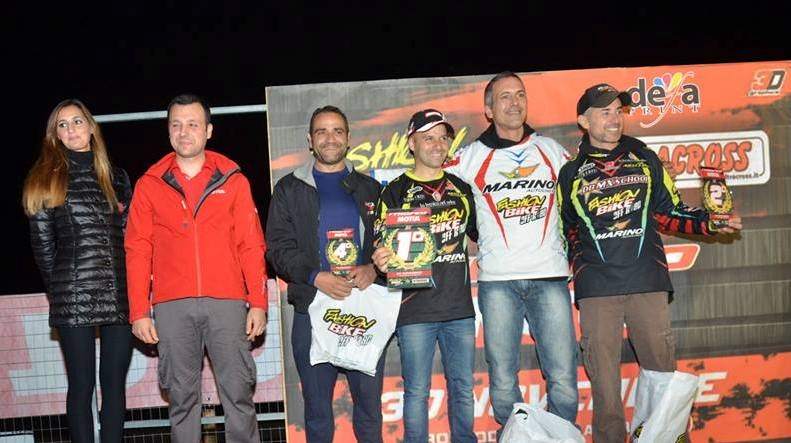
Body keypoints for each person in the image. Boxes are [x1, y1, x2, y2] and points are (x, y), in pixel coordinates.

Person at [557, 83, 743, 442]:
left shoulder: (646, 159)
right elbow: (566, 233)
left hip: (648, 282)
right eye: (604, 112)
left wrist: (710, 222)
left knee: (663, 380)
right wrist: (575, 271)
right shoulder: (570, 174)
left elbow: (669, 211)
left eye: (618, 111)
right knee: (605, 390)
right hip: (598, 290)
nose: (615, 119)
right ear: (584, 121)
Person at [124, 93, 267, 442]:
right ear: (168, 130)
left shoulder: (233, 180)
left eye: (192, 124)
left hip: (227, 303)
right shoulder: (149, 184)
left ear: (208, 131)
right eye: (176, 125)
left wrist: (258, 302)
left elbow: (251, 245)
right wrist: (139, 311)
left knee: (238, 395)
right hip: (172, 306)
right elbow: (137, 249)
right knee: (181, 400)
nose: (183, 132)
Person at [443, 71, 579, 432]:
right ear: (489, 109)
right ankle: (515, 436)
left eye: (520, 95)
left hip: (550, 276)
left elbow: (587, 188)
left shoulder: (552, 150)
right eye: (505, 96)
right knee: (503, 378)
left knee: (564, 375)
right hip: (498, 282)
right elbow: (428, 180)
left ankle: (561, 437)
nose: (514, 103)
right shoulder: (470, 157)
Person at [265, 105, 384, 443]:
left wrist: (373, 269)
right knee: (317, 414)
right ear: (309, 140)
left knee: (369, 412)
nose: (330, 138)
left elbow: (387, 244)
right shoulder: (288, 188)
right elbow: (277, 249)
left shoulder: (370, 189)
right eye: (322, 131)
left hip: (363, 310)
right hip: (313, 310)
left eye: (337, 131)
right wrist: (315, 277)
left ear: (348, 139)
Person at [22, 98, 133, 443]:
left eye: (77, 121)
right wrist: (61, 291)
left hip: (118, 292)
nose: (71, 129)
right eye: (63, 124)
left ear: (91, 127)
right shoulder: (44, 180)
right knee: (82, 385)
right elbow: (43, 249)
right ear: (55, 135)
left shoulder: (117, 177)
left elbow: (130, 237)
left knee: (114, 385)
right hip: (72, 295)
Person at [371, 109, 478, 443]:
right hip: (414, 309)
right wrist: (381, 257)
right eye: (428, 138)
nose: (437, 144)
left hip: (459, 308)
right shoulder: (394, 191)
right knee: (416, 392)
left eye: (442, 138)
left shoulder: (462, 188)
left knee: (463, 388)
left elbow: (479, 237)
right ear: (411, 143)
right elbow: (379, 246)